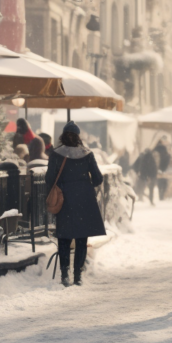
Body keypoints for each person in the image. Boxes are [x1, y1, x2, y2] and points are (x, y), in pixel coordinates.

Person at [46, 122, 105, 287]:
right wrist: (84, 183)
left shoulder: (56, 154)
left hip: (64, 200)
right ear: (78, 137)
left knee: (64, 238)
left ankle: (65, 274)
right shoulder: (87, 154)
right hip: (84, 200)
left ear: (63, 136)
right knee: (81, 238)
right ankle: (78, 275)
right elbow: (98, 178)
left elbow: (49, 178)